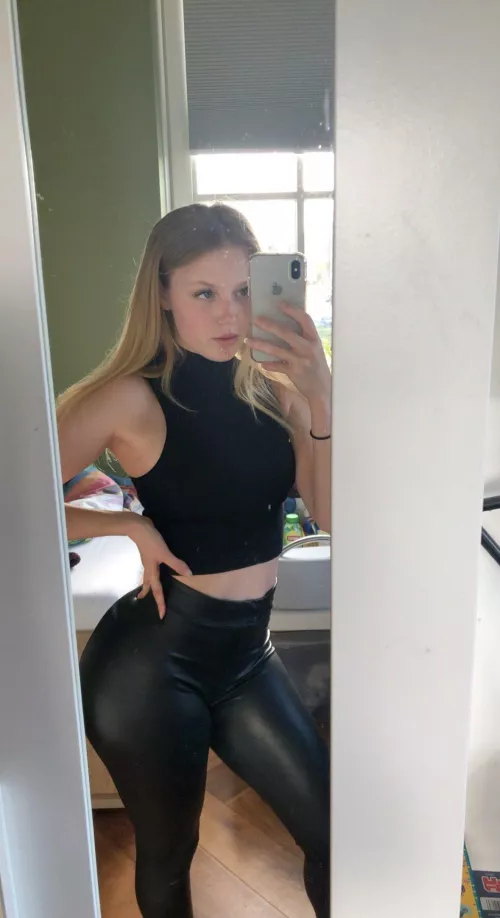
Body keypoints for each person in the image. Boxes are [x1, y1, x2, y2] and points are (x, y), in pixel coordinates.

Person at [57, 203, 331, 918]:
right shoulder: (129, 399)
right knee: (169, 856)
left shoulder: (276, 392)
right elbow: (14, 494)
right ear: (163, 296)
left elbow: (330, 514)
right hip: (149, 668)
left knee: (335, 834)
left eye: (242, 291)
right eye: (204, 292)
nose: (228, 313)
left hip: (247, 658)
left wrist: (321, 394)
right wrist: (125, 524)